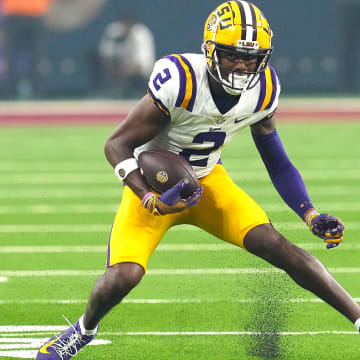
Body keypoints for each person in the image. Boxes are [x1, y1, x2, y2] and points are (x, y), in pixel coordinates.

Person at [36, 1, 360, 359]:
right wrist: (148, 197)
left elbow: (278, 162)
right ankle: (83, 330)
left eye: (250, 57)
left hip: (207, 182)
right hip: (157, 187)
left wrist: (310, 214)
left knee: (280, 247)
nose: (241, 64)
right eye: (231, 54)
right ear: (211, 50)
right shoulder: (181, 79)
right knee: (123, 276)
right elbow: (116, 144)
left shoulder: (264, 88)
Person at [2, 0, 51, 98]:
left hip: (35, 15)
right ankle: (11, 91)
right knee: (12, 55)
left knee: (37, 55)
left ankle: (37, 90)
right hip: (15, 15)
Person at [98, 15, 155, 98]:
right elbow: (105, 55)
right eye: (124, 24)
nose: (126, 28)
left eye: (129, 25)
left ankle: (132, 94)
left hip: (139, 74)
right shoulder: (114, 31)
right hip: (116, 69)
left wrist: (128, 70)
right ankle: (111, 93)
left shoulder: (141, 34)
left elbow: (145, 64)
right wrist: (112, 69)